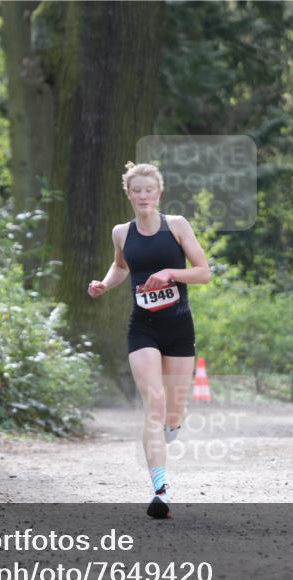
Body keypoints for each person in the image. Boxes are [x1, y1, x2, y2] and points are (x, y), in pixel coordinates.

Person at [87, 162, 210, 518]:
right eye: (136, 190)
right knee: (153, 404)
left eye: (148, 190)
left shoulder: (176, 226)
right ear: (128, 194)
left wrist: (171, 272)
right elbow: (122, 267)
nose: (142, 195)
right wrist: (104, 284)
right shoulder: (121, 233)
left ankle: (174, 423)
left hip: (179, 327)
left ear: (159, 193)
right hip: (143, 327)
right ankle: (161, 490)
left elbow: (204, 272)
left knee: (174, 409)